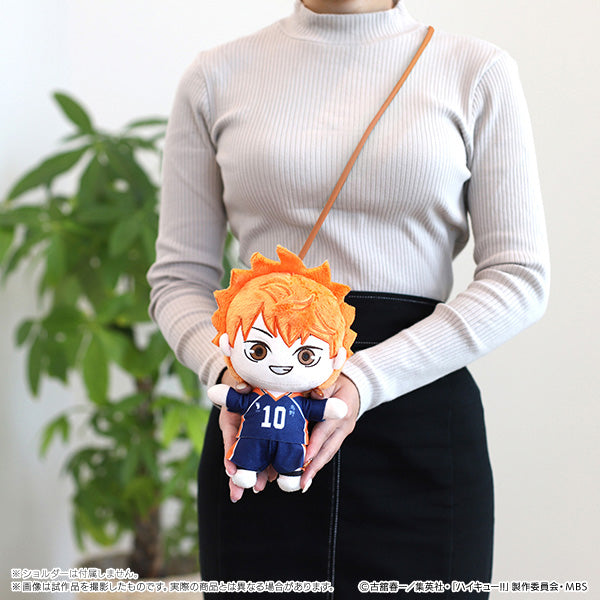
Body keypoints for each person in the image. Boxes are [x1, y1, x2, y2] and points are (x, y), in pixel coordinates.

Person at [147, 0, 550, 597]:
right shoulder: (215, 75)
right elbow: (178, 277)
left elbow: (520, 276)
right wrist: (229, 372)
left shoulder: (476, 70)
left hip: (419, 425)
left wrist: (363, 379)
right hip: (261, 431)